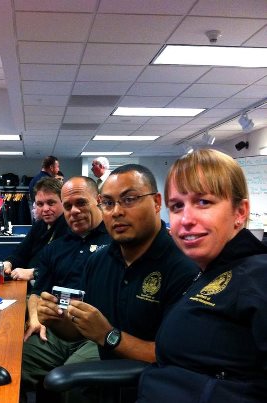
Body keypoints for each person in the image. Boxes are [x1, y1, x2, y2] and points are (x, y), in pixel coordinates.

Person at [34, 164, 199, 401]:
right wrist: (56, 320)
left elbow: (176, 358)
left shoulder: (185, 267)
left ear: (156, 202)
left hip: (159, 390)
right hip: (108, 380)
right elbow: (83, 331)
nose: (116, 212)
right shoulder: (98, 261)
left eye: (129, 199)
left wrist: (109, 336)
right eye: (108, 203)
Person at [137, 149, 267, 403]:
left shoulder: (258, 277)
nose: (186, 219)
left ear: (240, 212)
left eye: (203, 202)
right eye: (176, 206)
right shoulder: (212, 271)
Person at [21, 176, 111, 399]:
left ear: (97, 200)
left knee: (71, 379)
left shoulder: (115, 241)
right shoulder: (55, 248)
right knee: (13, 362)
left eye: (81, 203)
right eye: (68, 206)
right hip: (57, 330)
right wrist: (34, 320)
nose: (74, 211)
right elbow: (36, 292)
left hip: (97, 335)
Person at [0, 177, 68, 283]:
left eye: (51, 203)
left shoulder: (69, 228)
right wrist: (8, 263)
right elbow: (21, 252)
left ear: (63, 202)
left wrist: (34, 272)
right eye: (40, 204)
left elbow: (64, 267)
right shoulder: (40, 225)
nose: (45, 209)